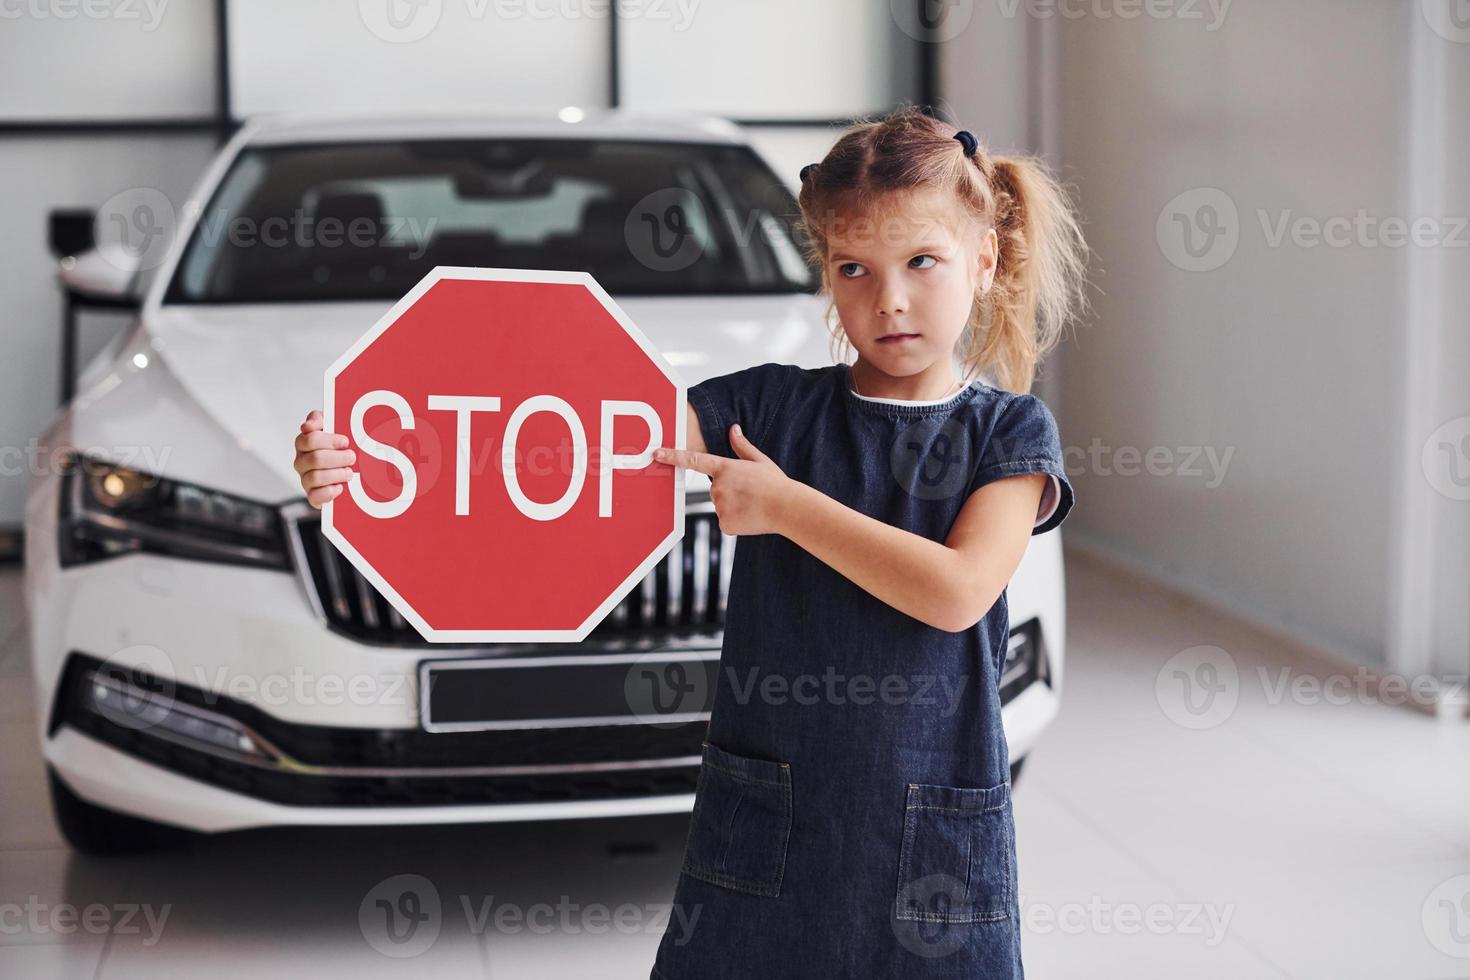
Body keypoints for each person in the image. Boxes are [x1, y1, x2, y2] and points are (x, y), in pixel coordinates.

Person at [292, 105, 1088, 978]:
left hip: (927, 829)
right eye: (852, 267)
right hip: (770, 818)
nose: (886, 298)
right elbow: (572, 445)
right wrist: (369, 461)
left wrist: (786, 508)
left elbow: (958, 590)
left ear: (984, 259)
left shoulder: (1009, 432)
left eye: (921, 262)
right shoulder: (774, 407)